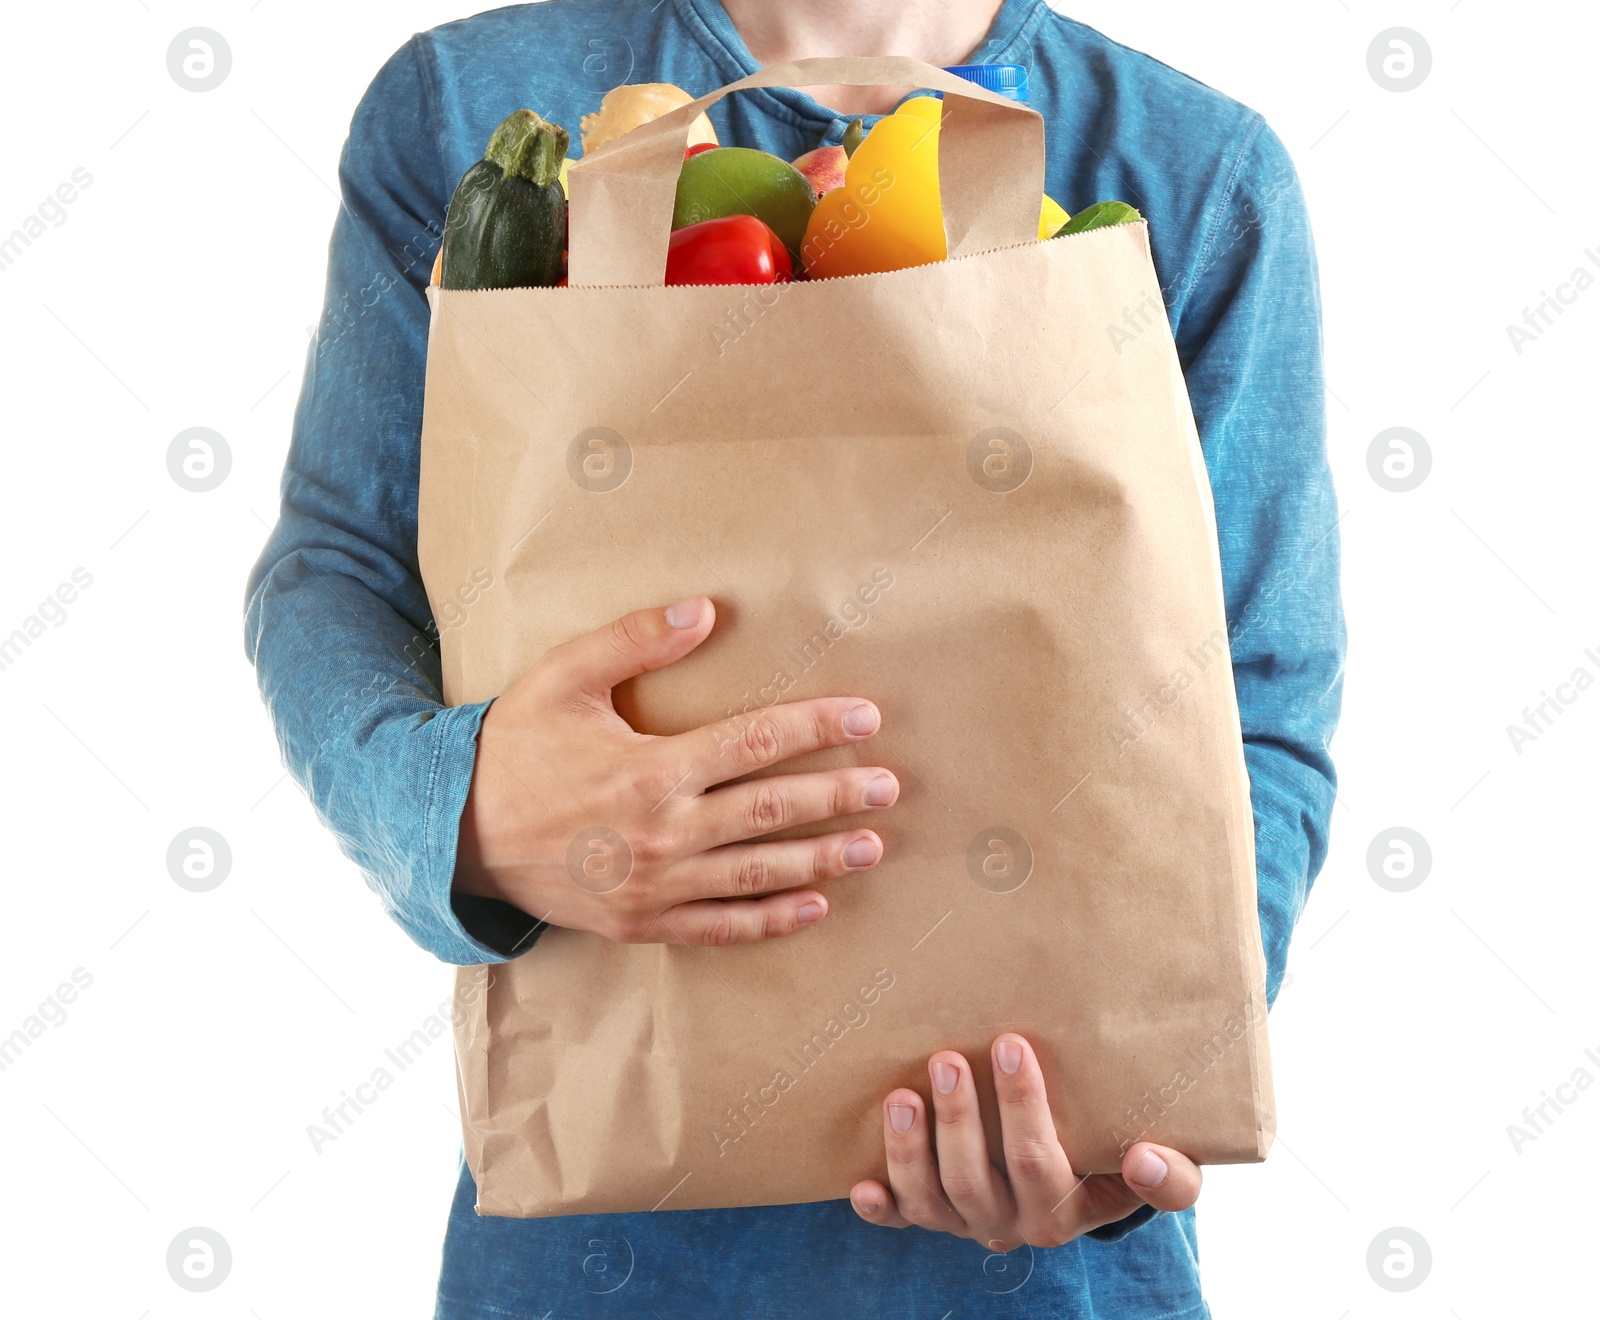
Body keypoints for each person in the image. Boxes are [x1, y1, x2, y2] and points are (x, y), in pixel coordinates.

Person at [245, 0, 1344, 1315]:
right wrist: (464, 808)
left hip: (1041, 1276)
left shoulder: (1198, 170)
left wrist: (1134, 1101)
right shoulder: (464, 105)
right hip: (590, 1266)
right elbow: (337, 577)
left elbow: (1257, 697)